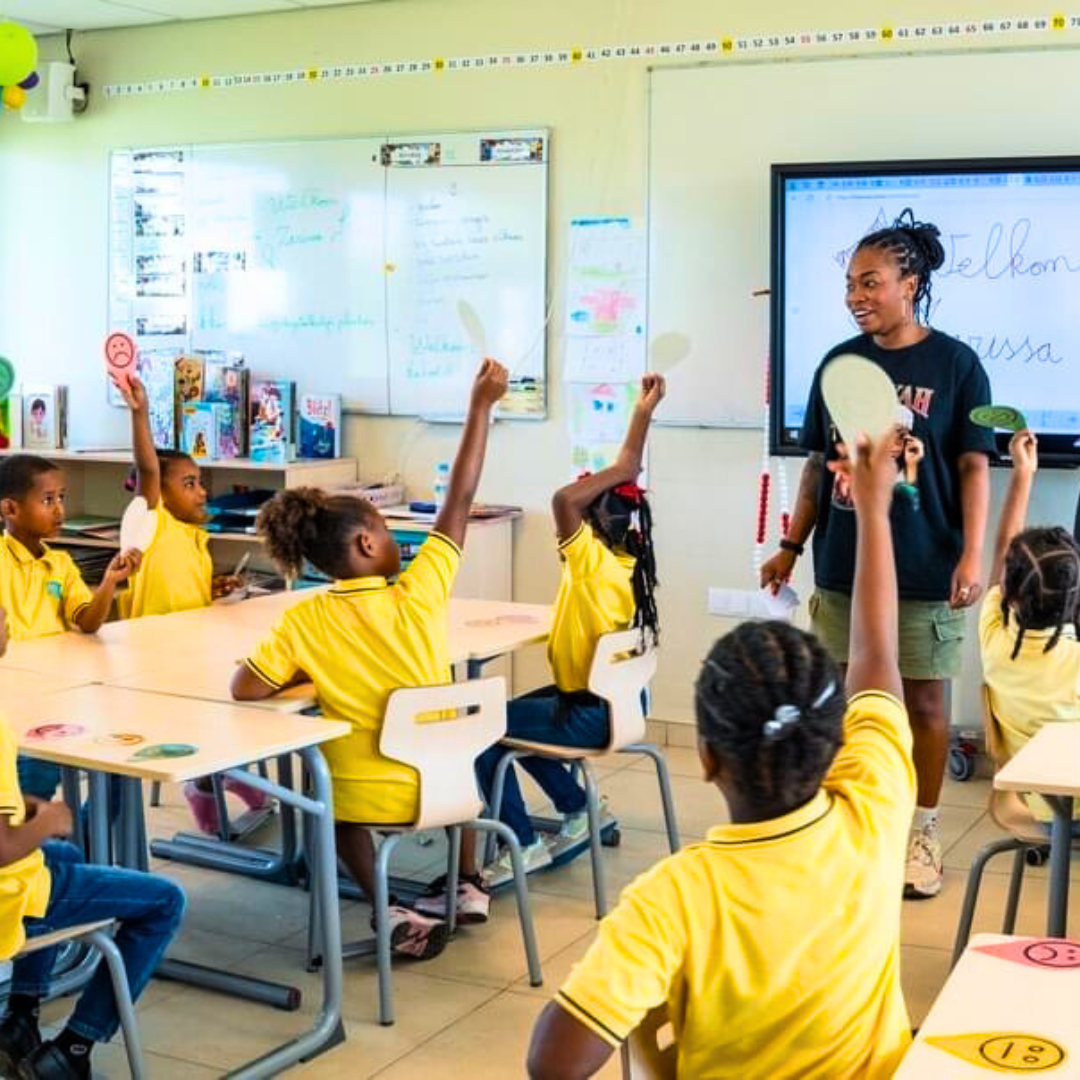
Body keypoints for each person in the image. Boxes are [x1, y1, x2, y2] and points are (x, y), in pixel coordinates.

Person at [527, 427, 915, 1080]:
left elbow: (552, 1063)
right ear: (838, 740)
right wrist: (874, 512)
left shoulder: (672, 896)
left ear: (706, 757)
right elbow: (876, 657)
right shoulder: (872, 811)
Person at [232, 359, 508, 957]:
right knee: (450, 738)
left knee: (327, 802)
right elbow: (459, 496)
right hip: (451, 788)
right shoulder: (419, 594)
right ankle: (466, 882)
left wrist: (306, 671)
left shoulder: (302, 618)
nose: (393, 540)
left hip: (364, 799)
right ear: (366, 544)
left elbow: (244, 690)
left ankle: (388, 912)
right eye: (386, 531)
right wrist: (481, 406)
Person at [761, 209, 994, 899]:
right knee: (837, 704)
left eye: (871, 283)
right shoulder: (838, 363)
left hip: (928, 563)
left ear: (910, 284)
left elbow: (976, 466)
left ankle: (919, 833)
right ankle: (845, 825)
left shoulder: (956, 364)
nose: (856, 296)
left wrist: (972, 555)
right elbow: (814, 465)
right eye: (849, 285)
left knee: (924, 707)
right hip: (842, 564)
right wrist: (789, 545)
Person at [466, 375, 663, 893]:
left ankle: (523, 845)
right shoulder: (625, 560)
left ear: (593, 523)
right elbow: (586, 498)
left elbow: (562, 500)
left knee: (480, 730)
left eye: (591, 499)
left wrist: (622, 469)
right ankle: (581, 809)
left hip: (588, 713)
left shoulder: (591, 561)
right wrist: (641, 416)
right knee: (512, 721)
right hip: (618, 703)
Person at [0, 605, 186, 1080]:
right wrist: (51, 819)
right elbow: (3, 848)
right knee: (165, 900)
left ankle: (20, 1019)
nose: (10, 627)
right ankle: (74, 1047)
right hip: (8, 899)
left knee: (67, 856)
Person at [112, 374, 254, 834]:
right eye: (189, 483)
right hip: (150, 662)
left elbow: (184, 591)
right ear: (160, 493)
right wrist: (139, 411)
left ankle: (220, 774)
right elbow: (149, 470)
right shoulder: (148, 523)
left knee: (225, 707)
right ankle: (204, 783)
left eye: (201, 483)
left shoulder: (196, 537)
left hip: (189, 652)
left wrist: (213, 590)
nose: (202, 492)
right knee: (198, 719)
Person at [0, 455, 141, 800]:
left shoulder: (60, 564)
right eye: (48, 500)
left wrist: (109, 582)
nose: (60, 509)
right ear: (10, 509)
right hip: (12, 691)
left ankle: (86, 839)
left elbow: (88, 622)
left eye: (61, 497)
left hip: (56, 687)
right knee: (37, 773)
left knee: (117, 759)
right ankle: (32, 843)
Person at [980, 428, 1080, 822]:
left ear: (1011, 594)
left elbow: (1003, 556)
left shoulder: (994, 639)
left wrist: (1023, 473)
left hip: (1028, 802)